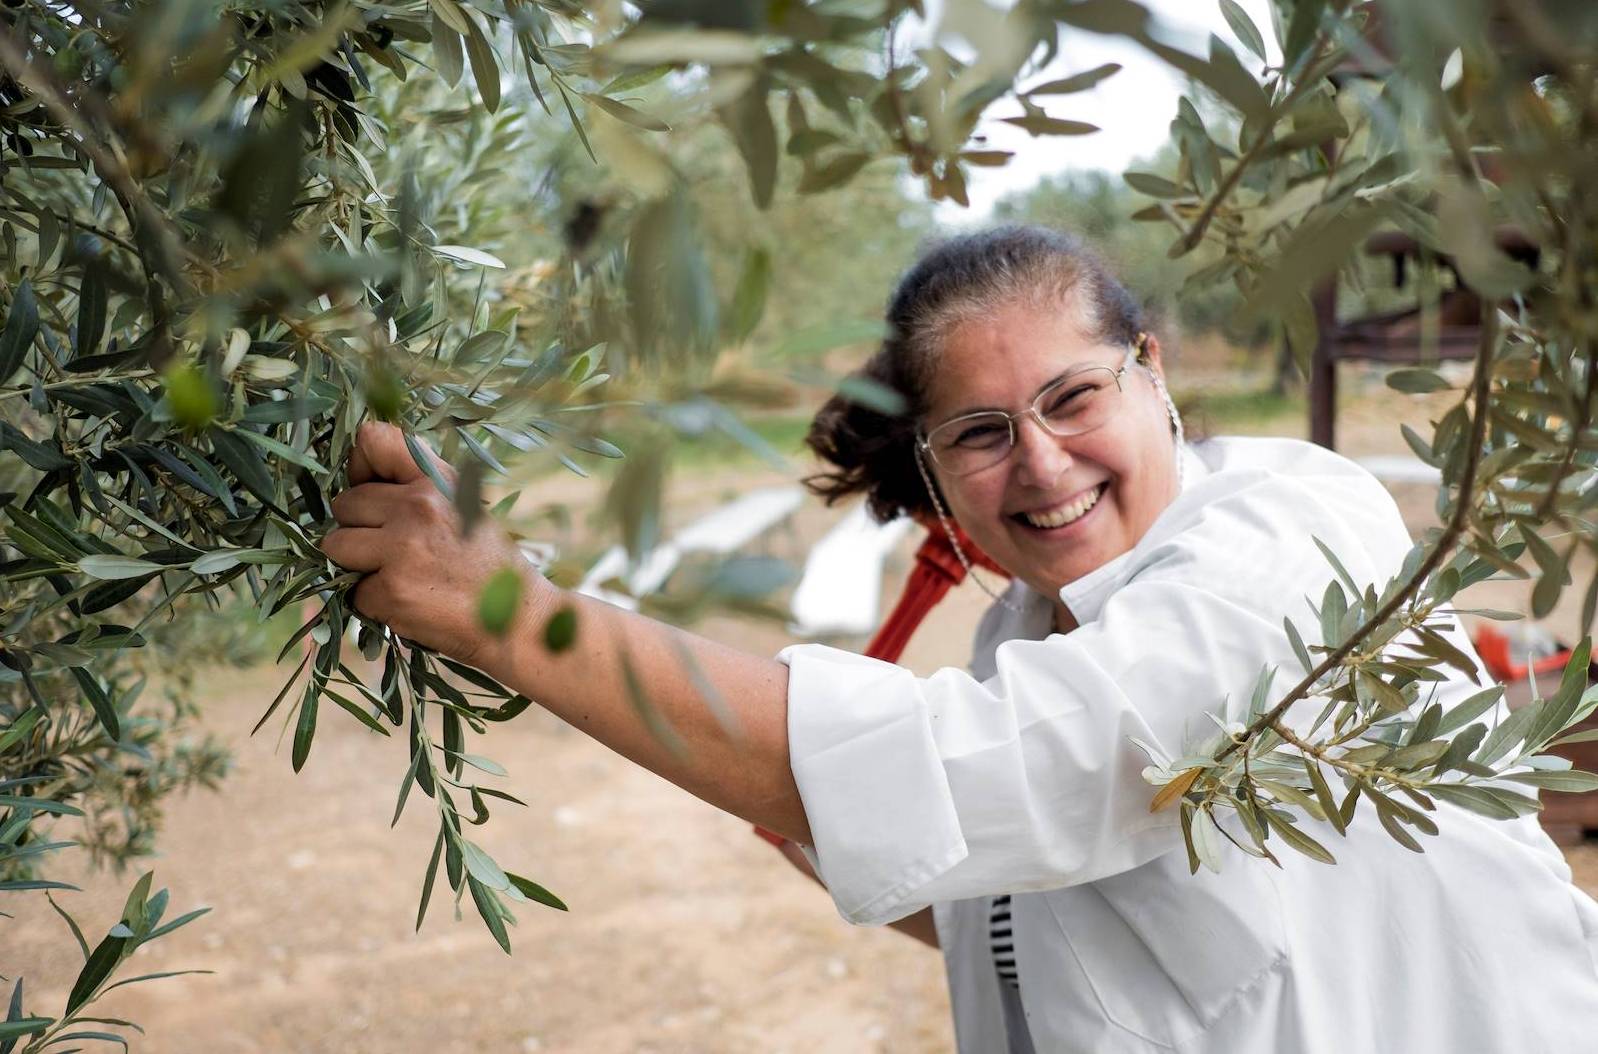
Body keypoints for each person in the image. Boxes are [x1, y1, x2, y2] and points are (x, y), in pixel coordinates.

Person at [320, 226, 1598, 1052]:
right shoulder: (1026, 638)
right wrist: (840, 825)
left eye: (1073, 396)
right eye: (980, 434)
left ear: (1151, 371)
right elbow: (1052, 914)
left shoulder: (1294, 534)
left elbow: (1048, 768)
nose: (1041, 464)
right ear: (932, 465)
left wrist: (509, 614)